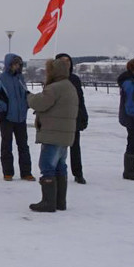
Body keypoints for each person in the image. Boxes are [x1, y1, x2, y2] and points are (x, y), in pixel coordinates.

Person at [27, 58, 78, 212]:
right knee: (60, 167)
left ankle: (48, 202)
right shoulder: (70, 86)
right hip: (65, 135)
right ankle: (59, 201)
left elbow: (40, 103)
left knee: (47, 166)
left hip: (53, 134)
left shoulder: (54, 88)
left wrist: (29, 96)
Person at [0, 53, 35, 182]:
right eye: (15, 64)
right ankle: (8, 172)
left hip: (21, 117)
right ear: (9, 65)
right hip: (7, 117)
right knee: (6, 145)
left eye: (19, 64)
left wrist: (28, 104)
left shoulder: (20, 78)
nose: (17, 66)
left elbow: (24, 93)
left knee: (23, 145)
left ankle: (26, 172)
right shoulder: (0, 78)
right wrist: (3, 107)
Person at [55, 53, 89, 184]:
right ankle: (56, 172)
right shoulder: (53, 78)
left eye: (68, 61)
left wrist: (83, 116)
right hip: (58, 118)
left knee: (75, 147)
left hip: (74, 117)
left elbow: (80, 99)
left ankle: (78, 173)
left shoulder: (74, 79)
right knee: (58, 148)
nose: (66, 63)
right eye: (63, 61)